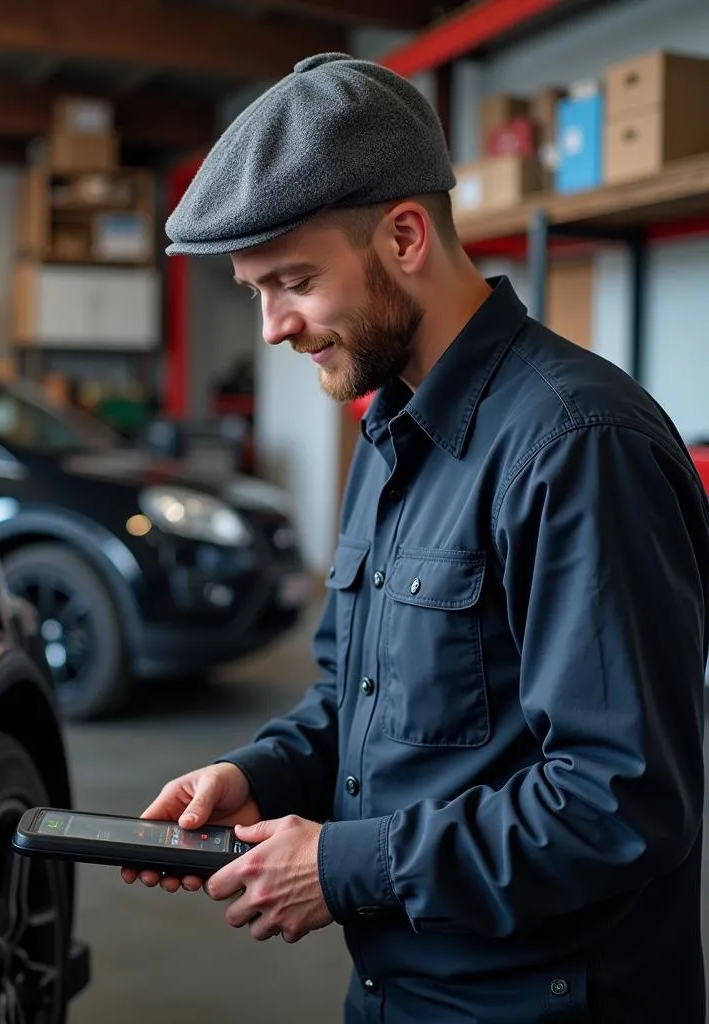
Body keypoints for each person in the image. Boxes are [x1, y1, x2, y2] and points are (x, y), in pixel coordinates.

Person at [121, 52, 709, 1023]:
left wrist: (342, 865)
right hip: (402, 990)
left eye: (293, 281)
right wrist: (257, 773)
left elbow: (620, 801)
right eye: (254, 290)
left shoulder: (575, 446)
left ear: (403, 236)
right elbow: (360, 699)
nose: (271, 326)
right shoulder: (393, 432)